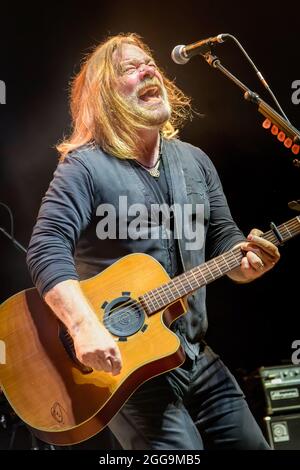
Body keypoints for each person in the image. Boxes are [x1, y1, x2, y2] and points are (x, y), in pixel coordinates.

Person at [26, 33, 280, 450]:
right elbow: (46, 247)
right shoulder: (84, 166)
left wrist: (245, 263)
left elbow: (223, 236)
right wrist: (84, 325)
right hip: (129, 369)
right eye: (129, 68)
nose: (148, 70)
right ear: (106, 95)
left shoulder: (195, 161)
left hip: (194, 354)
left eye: (150, 64)